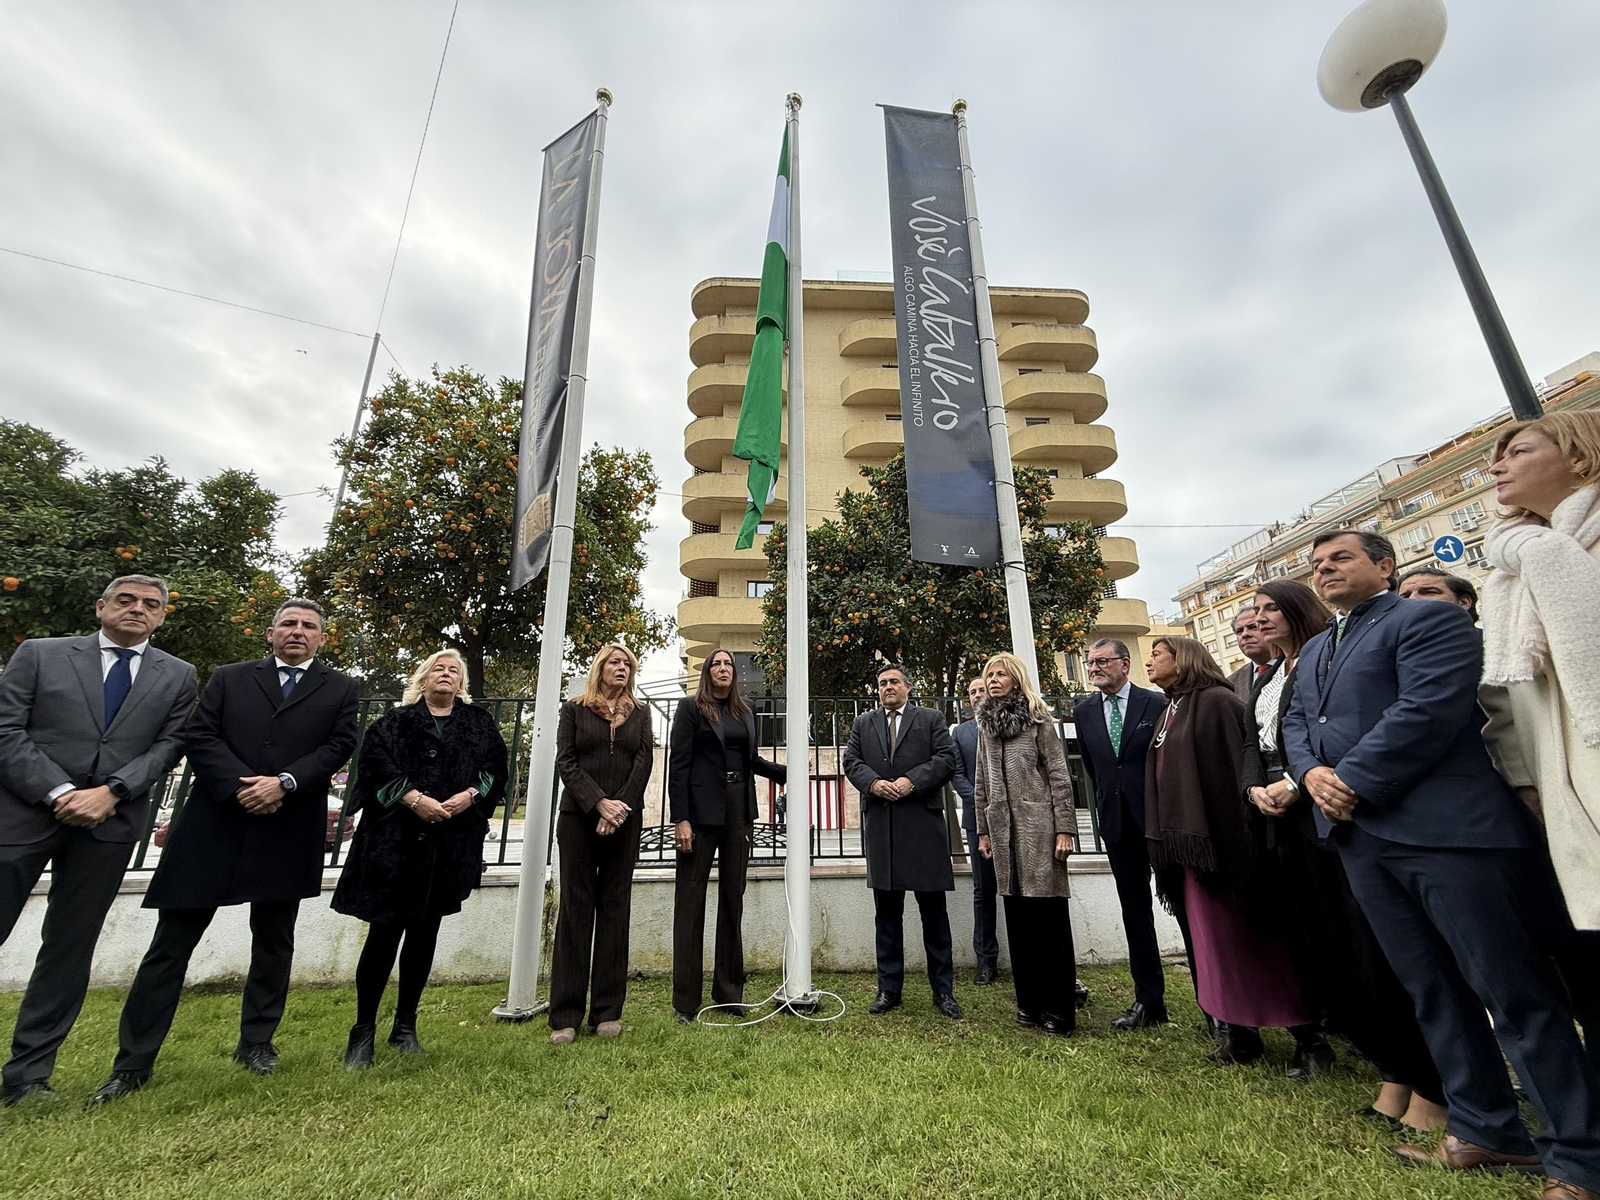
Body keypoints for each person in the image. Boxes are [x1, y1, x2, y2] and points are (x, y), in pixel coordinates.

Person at [1283, 528, 1600, 1196]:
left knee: (1511, 992)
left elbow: (1428, 709)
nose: (1325, 569)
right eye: (1316, 565)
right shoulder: (1315, 649)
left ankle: (1577, 1153)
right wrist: (1311, 777)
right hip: (1362, 840)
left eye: (1339, 557)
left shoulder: (1429, 619)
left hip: (1449, 835)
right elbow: (1297, 727)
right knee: (1431, 989)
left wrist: (1352, 780)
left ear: (1385, 564)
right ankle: (1487, 1128)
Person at [89, 599, 359, 1105]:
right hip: (215, 823)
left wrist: (284, 782)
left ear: (323, 638)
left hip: (288, 824)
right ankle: (133, 1063)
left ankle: (257, 1043)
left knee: (274, 942)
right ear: (271, 632)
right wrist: (241, 787)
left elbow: (338, 745)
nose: (298, 632)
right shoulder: (230, 677)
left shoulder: (342, 687)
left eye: (309, 627)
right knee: (171, 945)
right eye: (289, 624)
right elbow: (200, 733)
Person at [1242, 579, 1443, 1124]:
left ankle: (1429, 1082)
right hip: (1287, 826)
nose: (1256, 620)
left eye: (1267, 610)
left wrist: (1300, 780)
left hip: (1335, 816)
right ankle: (1395, 1070)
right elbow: (1274, 737)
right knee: (1335, 951)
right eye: (1252, 612)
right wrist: (1262, 787)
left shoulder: (1322, 656)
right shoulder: (1268, 676)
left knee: (1374, 949)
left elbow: (1333, 732)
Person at [0, 576, 197, 1107]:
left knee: (68, 948)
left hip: (108, 824)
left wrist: (112, 792)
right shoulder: (39, 654)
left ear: (161, 617)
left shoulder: (177, 675)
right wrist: (60, 790)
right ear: (101, 607)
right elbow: (5, 729)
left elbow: (170, 743)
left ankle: (28, 1075)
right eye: (127, 600)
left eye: (151, 605)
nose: (138, 610)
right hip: (20, 817)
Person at [1143, 635, 1318, 1066]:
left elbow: (1235, 773)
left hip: (1225, 852)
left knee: (1254, 940)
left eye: (1157, 654)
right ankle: (1240, 1037)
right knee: (1213, 947)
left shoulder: (1218, 702)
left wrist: (1229, 841)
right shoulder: (1172, 707)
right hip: (1189, 853)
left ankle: (1309, 1038)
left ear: (1183, 660)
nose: (1148, 661)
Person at [331, 649, 506, 1068]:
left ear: (461, 685)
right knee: (382, 936)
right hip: (394, 846)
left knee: (425, 935)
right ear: (423, 679)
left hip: (447, 847)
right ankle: (363, 1031)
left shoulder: (478, 724)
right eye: (438, 670)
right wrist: (413, 799)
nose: (446, 675)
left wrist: (470, 796)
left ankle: (405, 1026)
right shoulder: (394, 722)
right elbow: (373, 768)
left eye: (454, 671)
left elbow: (495, 769)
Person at [1480, 412, 1600, 929]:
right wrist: (1524, 778)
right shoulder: (1513, 565)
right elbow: (1508, 689)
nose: (1498, 469)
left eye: (1519, 452)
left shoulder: (1565, 552)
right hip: (1564, 775)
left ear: (1578, 457)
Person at [1074, 637, 1189, 1031]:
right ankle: (1149, 1003)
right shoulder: (1083, 712)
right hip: (1117, 825)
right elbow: (1094, 768)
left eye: (1102, 661)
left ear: (1125, 664)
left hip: (1159, 823)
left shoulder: (1155, 704)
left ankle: (1215, 1007)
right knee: (1135, 913)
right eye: (1090, 662)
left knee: (1187, 909)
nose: (1094, 668)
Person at [668, 649, 784, 1022]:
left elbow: (751, 761)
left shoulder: (744, 711)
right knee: (691, 901)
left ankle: (729, 992)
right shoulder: (690, 709)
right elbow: (679, 765)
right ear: (707, 672)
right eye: (716, 664)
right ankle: (686, 1001)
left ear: (735, 674)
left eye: (728, 664)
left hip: (739, 811)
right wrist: (681, 819)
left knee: (733, 897)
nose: (722, 668)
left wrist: (788, 771)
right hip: (699, 815)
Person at [843, 663, 962, 1019]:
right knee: (887, 917)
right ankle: (888, 990)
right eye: (882, 683)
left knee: (934, 917)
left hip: (922, 827)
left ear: (909, 687)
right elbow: (851, 760)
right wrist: (873, 783)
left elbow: (946, 759)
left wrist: (911, 781)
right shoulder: (864, 723)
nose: (887, 687)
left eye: (894, 681)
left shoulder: (930, 719)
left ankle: (943, 991)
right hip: (883, 827)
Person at [548, 643, 653, 1044]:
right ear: (600, 668)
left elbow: (643, 763)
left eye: (627, 663)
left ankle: (607, 1011)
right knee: (576, 911)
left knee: (614, 908)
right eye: (615, 662)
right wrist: (598, 805)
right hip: (578, 820)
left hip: (625, 821)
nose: (622, 667)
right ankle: (566, 1014)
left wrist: (619, 808)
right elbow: (566, 761)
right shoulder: (574, 708)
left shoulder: (640, 714)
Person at [972, 653, 1078, 1036]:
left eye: (1001, 674)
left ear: (1016, 679)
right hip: (1002, 835)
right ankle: (1029, 1004)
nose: (994, 679)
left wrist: (1064, 828)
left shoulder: (1038, 719)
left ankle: (1060, 1009)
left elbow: (1060, 777)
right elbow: (982, 783)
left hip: (1039, 829)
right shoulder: (985, 726)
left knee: (1047, 922)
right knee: (1017, 919)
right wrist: (984, 831)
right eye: (989, 674)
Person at [949, 676, 998, 986]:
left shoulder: (1010, 724)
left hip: (1015, 819)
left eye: (982, 689)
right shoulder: (961, 733)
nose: (978, 694)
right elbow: (957, 775)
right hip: (977, 821)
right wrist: (984, 803)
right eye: (972, 692)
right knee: (983, 890)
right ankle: (986, 960)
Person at [1397, 566, 1479, 621]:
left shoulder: (1488, 643)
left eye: (1429, 592)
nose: (1412, 598)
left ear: (1463, 602)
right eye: (1404, 597)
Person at [1227, 607, 1273, 701]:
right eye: (1239, 631)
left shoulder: (1295, 666)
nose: (1245, 634)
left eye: (1253, 627)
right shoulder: (1231, 683)